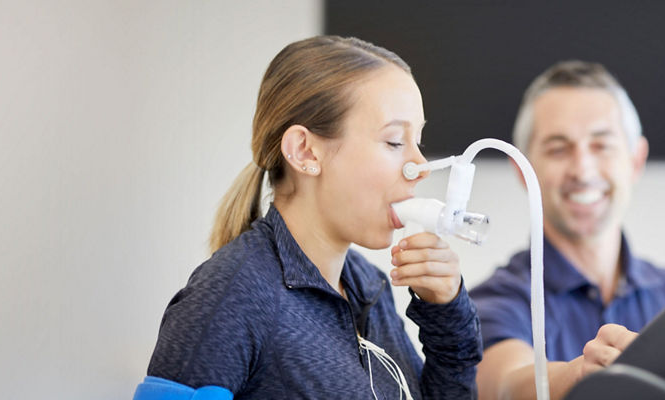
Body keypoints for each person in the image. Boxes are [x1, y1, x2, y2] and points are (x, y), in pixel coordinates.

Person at [141, 35, 481, 399]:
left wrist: (448, 314)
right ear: (305, 151)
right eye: (395, 142)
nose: (420, 166)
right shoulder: (232, 296)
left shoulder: (368, 286)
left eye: (419, 142)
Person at [470, 61, 665, 400]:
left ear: (636, 160)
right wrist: (579, 377)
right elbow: (505, 385)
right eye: (558, 148)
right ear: (521, 170)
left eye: (601, 145)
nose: (582, 169)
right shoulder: (496, 302)